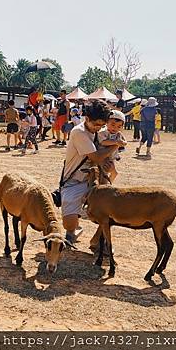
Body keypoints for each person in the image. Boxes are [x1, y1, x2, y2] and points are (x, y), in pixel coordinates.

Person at [60, 100, 116, 245]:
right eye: (96, 124)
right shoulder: (79, 132)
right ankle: (75, 226)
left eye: (102, 125)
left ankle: (98, 241)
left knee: (111, 209)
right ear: (87, 119)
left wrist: (107, 166)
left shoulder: (101, 133)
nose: (98, 128)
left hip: (93, 181)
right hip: (73, 182)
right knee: (69, 225)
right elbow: (96, 156)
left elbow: (102, 158)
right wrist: (115, 145)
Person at [98, 110, 127, 182]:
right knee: (104, 173)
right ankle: (104, 187)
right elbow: (102, 142)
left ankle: (108, 185)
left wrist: (122, 143)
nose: (115, 128)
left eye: (119, 126)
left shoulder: (118, 133)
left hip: (112, 157)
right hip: (103, 156)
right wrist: (116, 142)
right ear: (107, 123)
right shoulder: (103, 132)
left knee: (114, 173)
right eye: (113, 125)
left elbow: (125, 142)